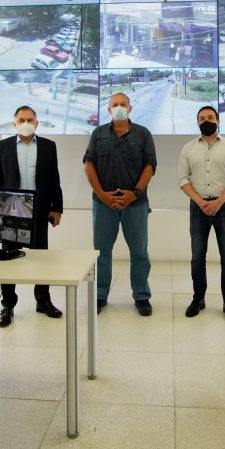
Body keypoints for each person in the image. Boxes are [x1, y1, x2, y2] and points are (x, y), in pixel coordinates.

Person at [83, 93, 157, 316]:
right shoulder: (98, 134)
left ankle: (142, 296)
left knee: (139, 252)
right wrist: (102, 195)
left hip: (135, 204)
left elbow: (150, 166)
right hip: (103, 204)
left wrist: (134, 194)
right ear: (108, 109)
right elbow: (89, 164)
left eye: (122, 104)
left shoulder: (143, 134)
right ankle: (100, 295)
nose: (119, 108)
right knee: (102, 252)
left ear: (130, 109)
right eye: (115, 105)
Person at [0, 105, 64, 327]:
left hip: (40, 210)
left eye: (30, 119)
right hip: (11, 210)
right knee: (8, 259)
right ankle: (7, 305)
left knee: (41, 258)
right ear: (14, 123)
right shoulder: (2, 146)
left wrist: (57, 208)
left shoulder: (48, 146)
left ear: (37, 123)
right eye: (21, 119)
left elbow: (54, 180)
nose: (26, 123)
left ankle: (43, 301)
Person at [177, 106, 225, 323]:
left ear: (218, 121)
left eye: (210, 117)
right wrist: (200, 201)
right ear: (197, 122)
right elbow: (183, 180)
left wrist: (218, 202)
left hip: (224, 206)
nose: (207, 121)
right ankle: (199, 299)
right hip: (198, 208)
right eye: (202, 118)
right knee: (197, 257)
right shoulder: (188, 148)